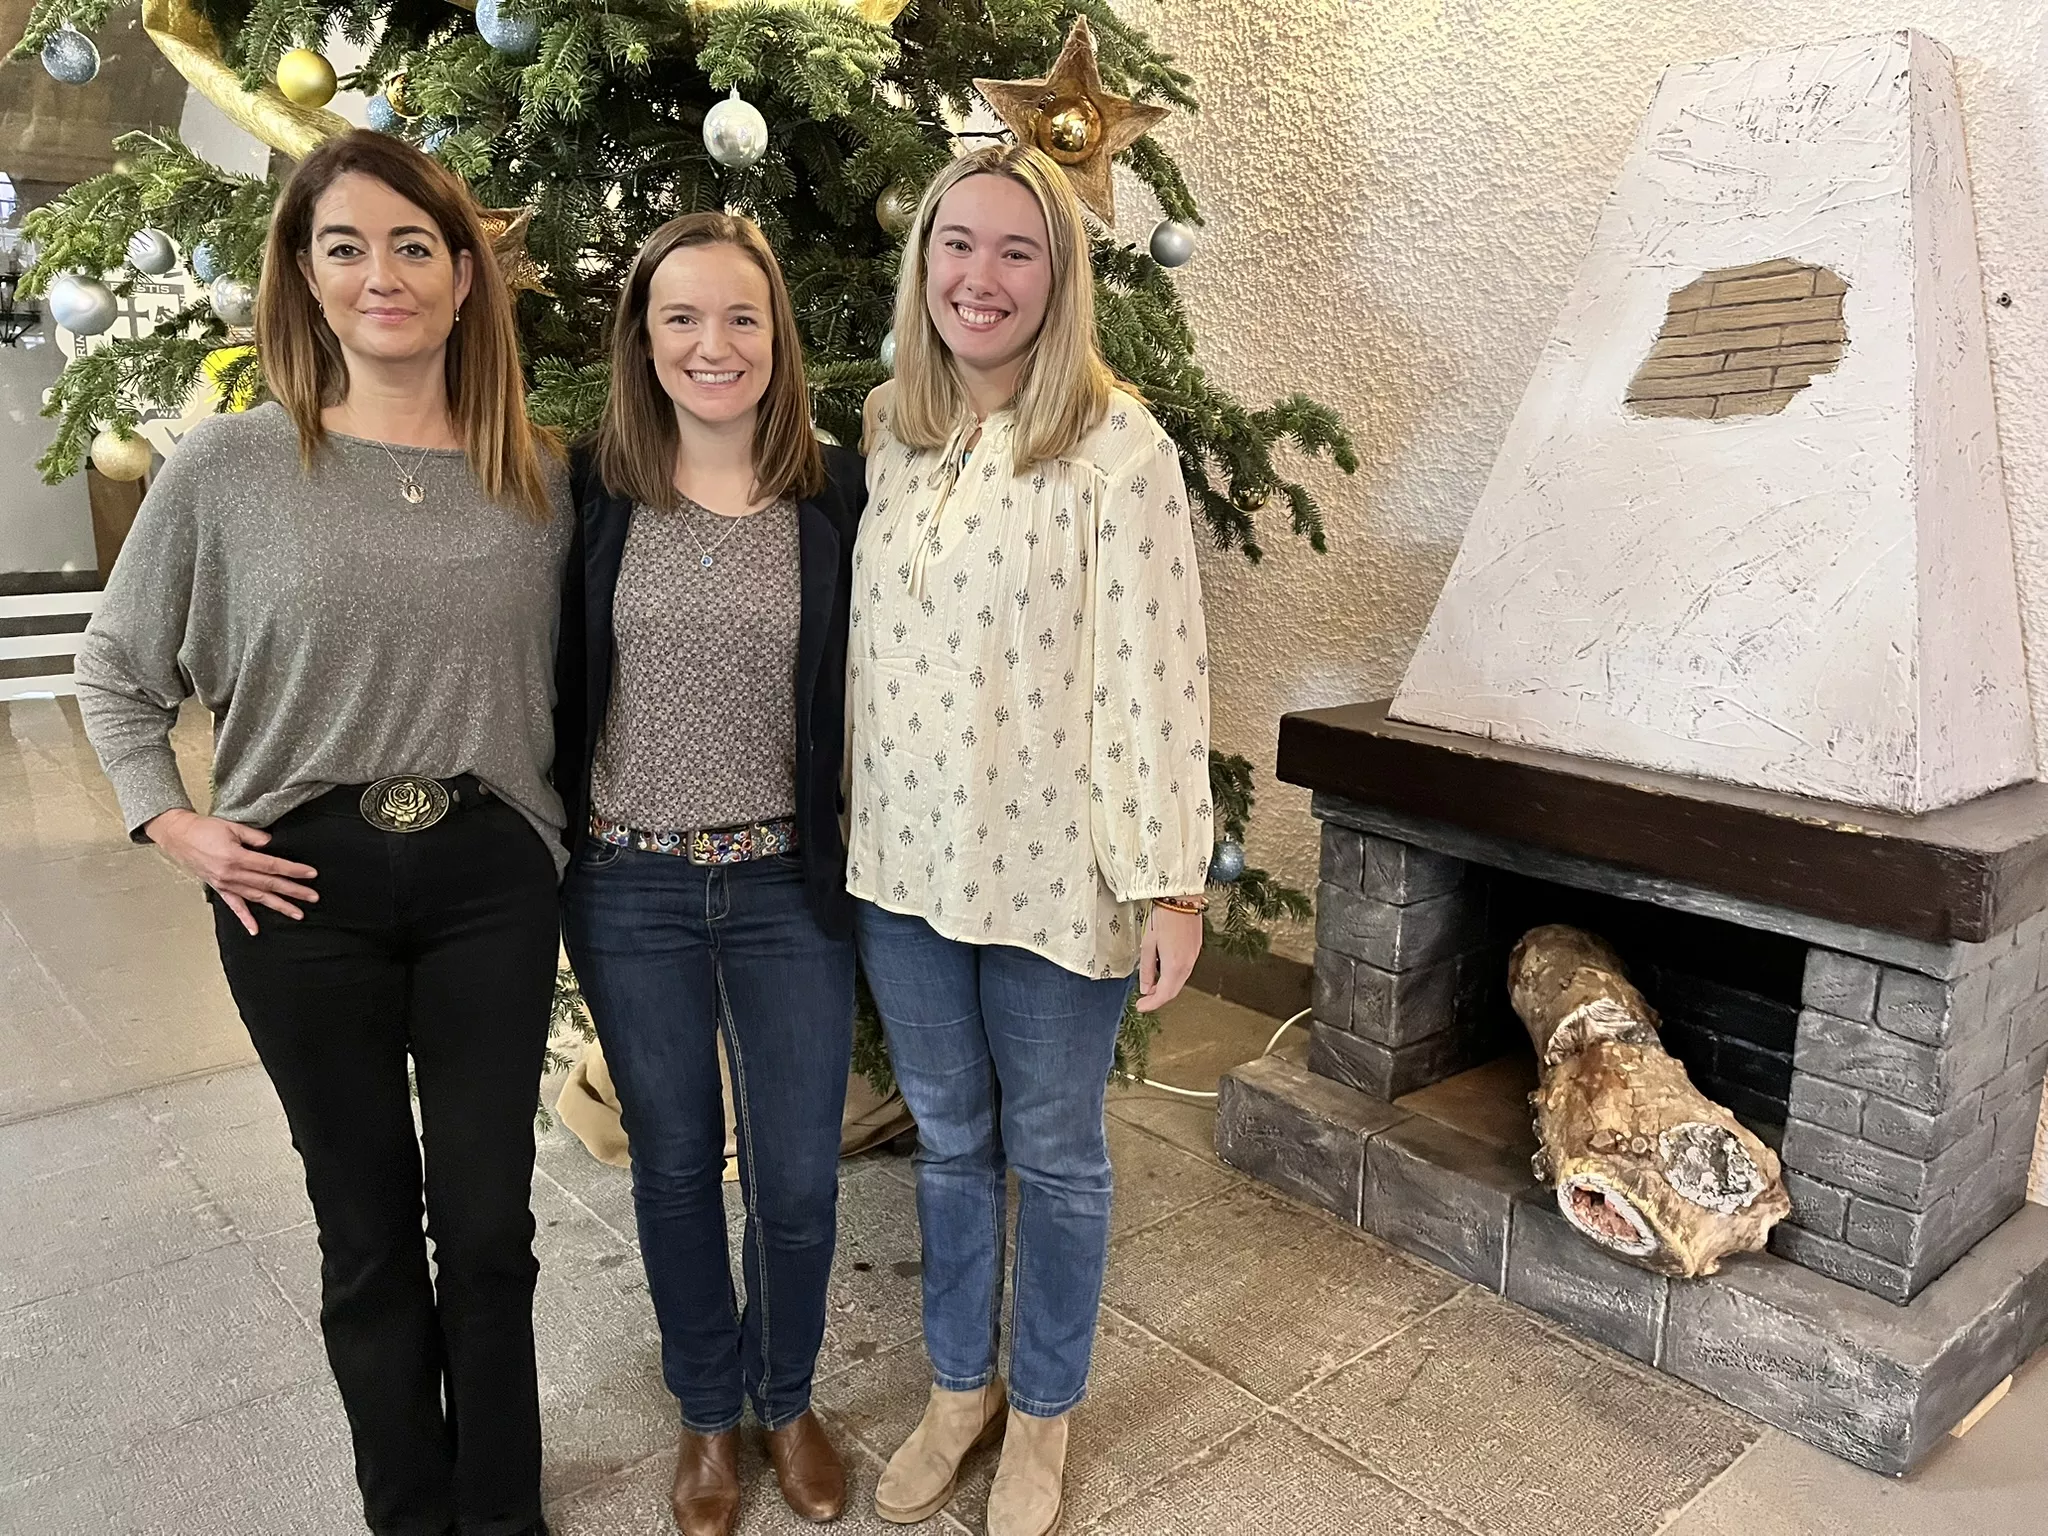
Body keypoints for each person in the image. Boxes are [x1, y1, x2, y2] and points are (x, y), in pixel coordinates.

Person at [72, 131, 567, 1536]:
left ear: (467, 277)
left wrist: (550, 847)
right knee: (365, 1232)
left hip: (489, 884)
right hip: (299, 892)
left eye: (415, 244)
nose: (381, 274)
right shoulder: (228, 467)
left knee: (487, 1229)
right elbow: (117, 667)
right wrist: (168, 820)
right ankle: (409, 1512)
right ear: (302, 274)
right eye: (343, 245)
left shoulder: (535, 475)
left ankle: (502, 1511)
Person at [849, 144, 1214, 1536]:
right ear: (923, 263)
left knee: (1053, 1150)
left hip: (1058, 870)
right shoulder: (894, 429)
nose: (979, 277)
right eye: (958, 246)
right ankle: (960, 1391)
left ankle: (1045, 1412)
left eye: (1016, 251)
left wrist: (1169, 881)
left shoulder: (1121, 453)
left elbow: (1157, 678)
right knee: (947, 1142)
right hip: (902, 867)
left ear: (1059, 279)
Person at [553, 212, 866, 1536]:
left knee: (797, 1177)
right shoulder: (591, 491)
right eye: (679, 317)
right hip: (631, 891)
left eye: (740, 316)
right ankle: (703, 1416)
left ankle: (784, 1398)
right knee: (674, 1163)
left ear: (777, 337)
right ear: (643, 337)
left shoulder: (838, 496)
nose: (711, 343)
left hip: (792, 890)